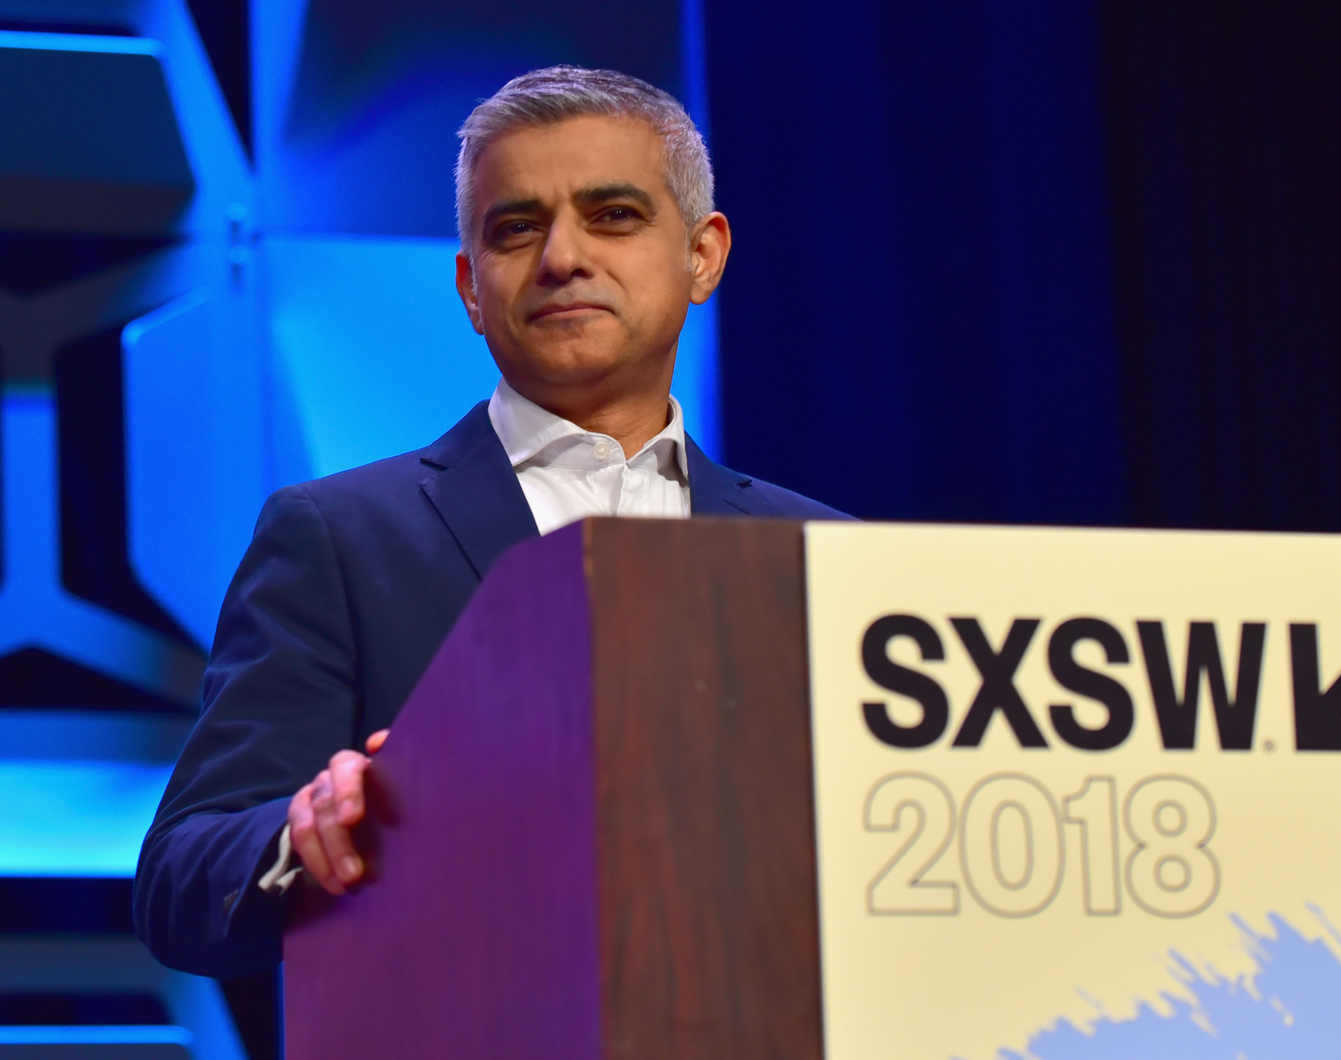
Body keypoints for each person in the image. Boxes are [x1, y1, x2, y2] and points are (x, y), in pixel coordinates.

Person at [134, 66, 848, 978]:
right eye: (517, 228)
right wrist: (307, 831)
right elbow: (182, 876)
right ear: (472, 287)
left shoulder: (824, 555)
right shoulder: (337, 536)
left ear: (702, 254)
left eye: (613, 216)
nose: (561, 258)